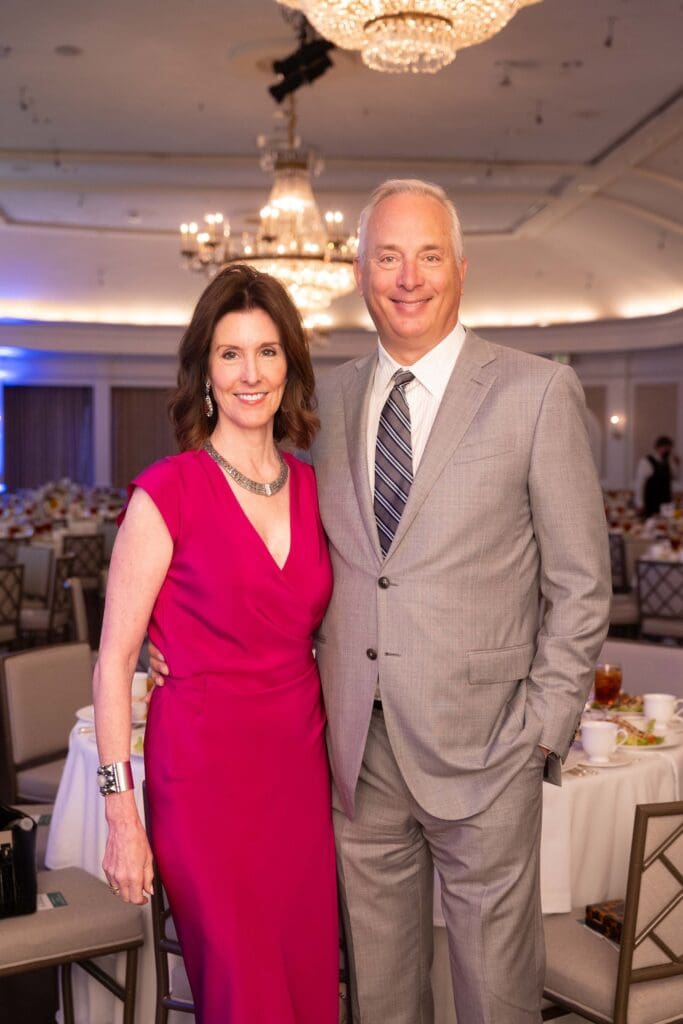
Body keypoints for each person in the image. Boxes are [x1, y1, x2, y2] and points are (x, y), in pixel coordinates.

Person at [151, 179, 611, 1024]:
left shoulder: (535, 393)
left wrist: (539, 729)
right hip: (353, 757)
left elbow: (581, 585)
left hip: (487, 752)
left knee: (495, 997)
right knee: (381, 997)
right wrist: (174, 631)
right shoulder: (327, 401)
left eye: (428, 255)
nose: (408, 277)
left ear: (460, 269)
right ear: (358, 271)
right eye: (387, 256)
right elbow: (277, 546)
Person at [92, 265, 338, 1024]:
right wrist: (123, 820)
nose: (249, 373)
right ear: (204, 370)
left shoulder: (315, 487)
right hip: (201, 779)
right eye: (230, 354)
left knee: (304, 981)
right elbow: (112, 665)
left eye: (266, 352)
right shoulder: (167, 492)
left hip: (299, 772)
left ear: (289, 367)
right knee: (242, 991)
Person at [635, 434, 679, 519]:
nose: (667, 450)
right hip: (652, 502)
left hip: (666, 502)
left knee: (666, 526)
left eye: (669, 448)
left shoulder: (668, 462)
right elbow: (640, 483)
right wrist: (639, 503)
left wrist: (676, 465)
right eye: (665, 448)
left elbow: (674, 477)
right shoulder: (647, 461)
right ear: (658, 447)